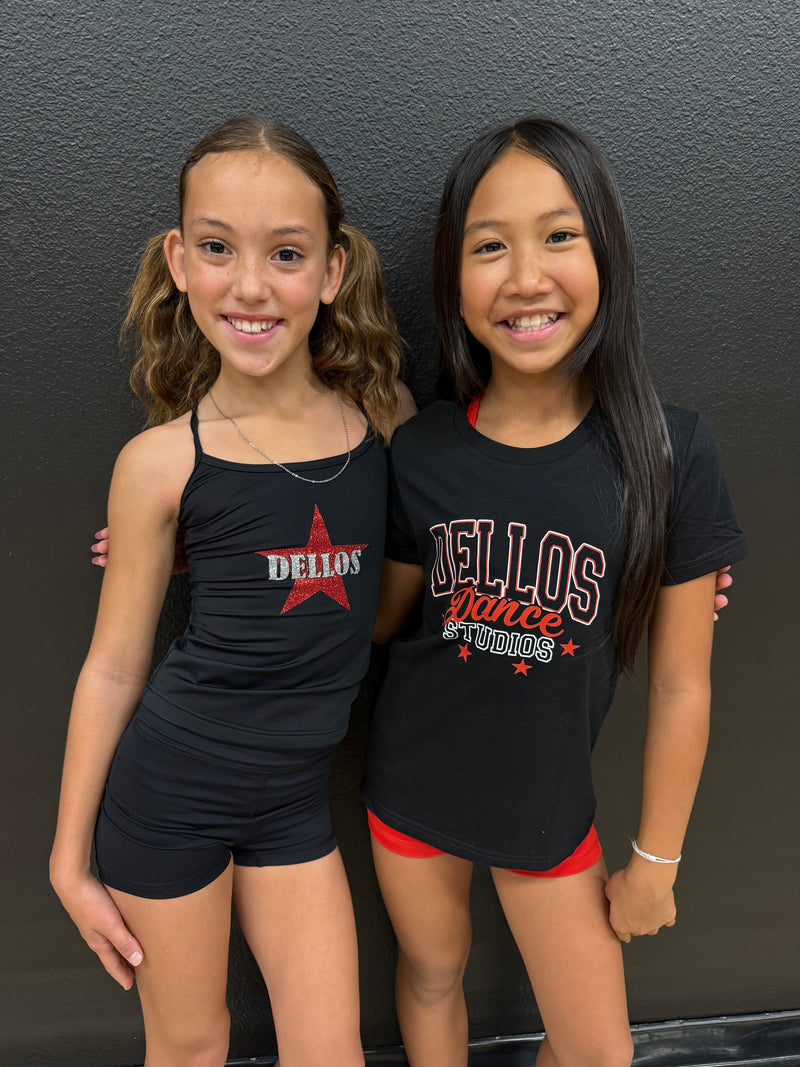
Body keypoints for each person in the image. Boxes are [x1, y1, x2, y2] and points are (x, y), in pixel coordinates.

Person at [363, 117, 748, 1067]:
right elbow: (379, 621)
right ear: (453, 279)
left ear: (606, 252)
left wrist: (656, 860)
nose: (526, 275)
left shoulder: (670, 453)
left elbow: (681, 685)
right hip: (412, 782)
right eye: (489, 246)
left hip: (548, 803)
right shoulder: (423, 447)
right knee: (431, 973)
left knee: (596, 1051)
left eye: (559, 235)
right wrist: (237, 546)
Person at [49, 115, 413, 1067]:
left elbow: (397, 599)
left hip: (294, 804)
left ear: (331, 271)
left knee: (331, 1051)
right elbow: (112, 667)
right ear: (179, 261)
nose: (250, 285)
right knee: (192, 1042)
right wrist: (67, 857)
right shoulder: (159, 464)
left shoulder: (381, 421)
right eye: (217, 248)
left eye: (286, 253)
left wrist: (651, 562)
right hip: (169, 797)